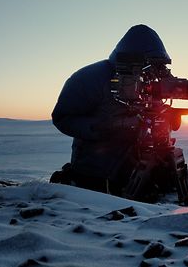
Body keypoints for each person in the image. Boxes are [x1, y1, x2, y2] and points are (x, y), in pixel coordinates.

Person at [50, 24, 175, 196]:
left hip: (141, 167)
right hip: (98, 170)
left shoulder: (152, 79)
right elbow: (62, 118)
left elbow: (154, 110)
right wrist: (106, 127)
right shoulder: (89, 79)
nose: (153, 70)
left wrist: (167, 117)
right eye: (150, 64)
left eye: (157, 65)